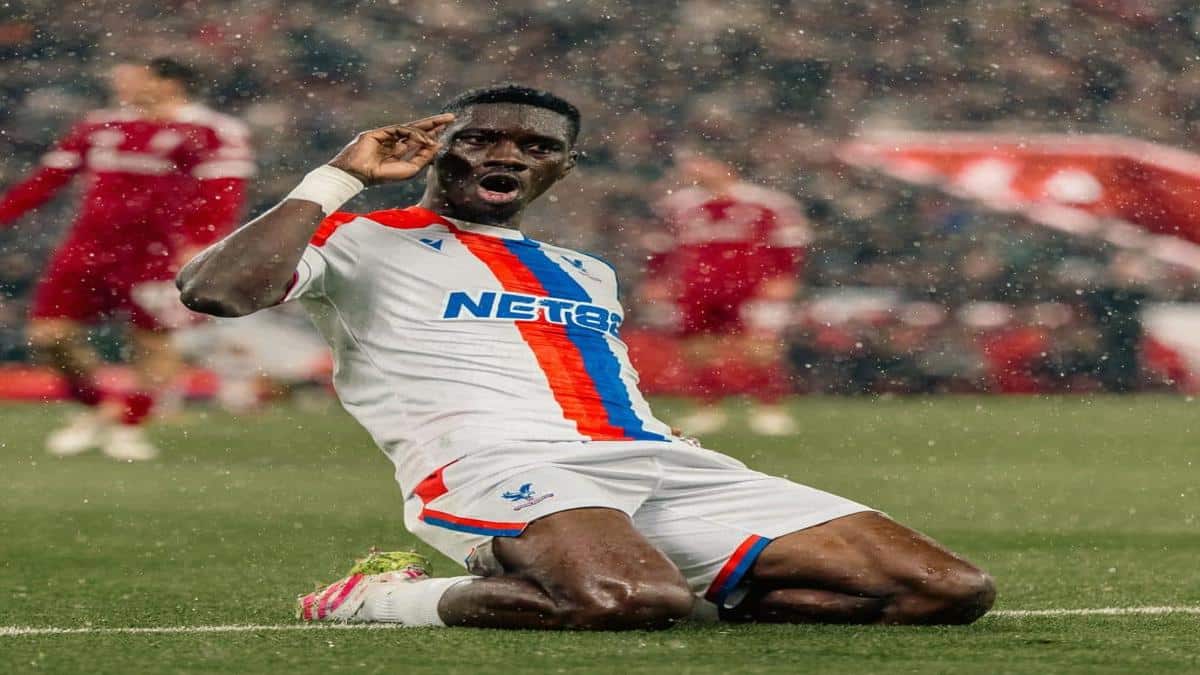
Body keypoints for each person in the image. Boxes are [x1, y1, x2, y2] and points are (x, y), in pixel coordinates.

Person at [177, 85, 995, 629]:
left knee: (950, 590)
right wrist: (341, 175)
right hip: (492, 463)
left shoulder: (585, 270)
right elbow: (217, 290)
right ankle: (381, 599)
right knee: (624, 601)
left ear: (561, 168)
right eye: (482, 139)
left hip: (655, 459)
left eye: (534, 147)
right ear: (435, 152)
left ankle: (674, 585)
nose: (506, 155)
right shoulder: (357, 240)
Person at [0, 57, 253, 460]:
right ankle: (99, 409)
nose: (119, 83)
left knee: (153, 343)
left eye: (131, 77)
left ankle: (129, 424)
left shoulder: (212, 131)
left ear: (169, 83)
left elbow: (223, 193)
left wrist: (199, 242)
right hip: (88, 249)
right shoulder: (100, 126)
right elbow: (46, 181)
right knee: (48, 337)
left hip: (158, 254)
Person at [645, 154, 812, 435]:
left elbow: (790, 240)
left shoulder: (767, 203)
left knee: (759, 348)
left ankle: (769, 409)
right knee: (697, 349)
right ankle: (707, 407)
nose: (694, 169)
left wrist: (785, 274)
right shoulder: (678, 204)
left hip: (751, 287)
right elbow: (660, 244)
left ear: (726, 166)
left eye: (703, 162)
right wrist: (656, 278)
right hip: (695, 287)